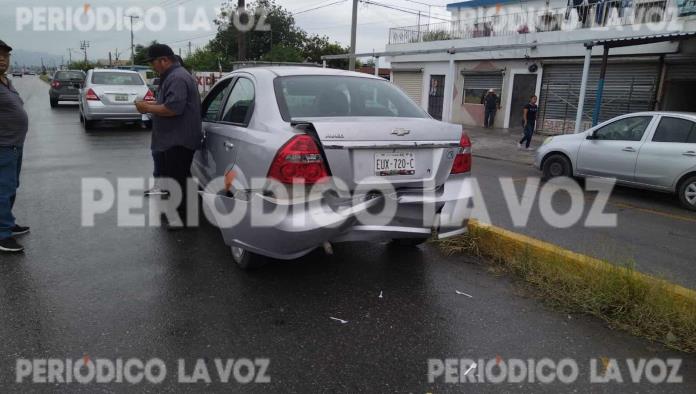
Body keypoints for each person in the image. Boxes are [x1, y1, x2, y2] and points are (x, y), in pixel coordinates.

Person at [135, 44, 202, 228]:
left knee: (178, 179)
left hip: (178, 140)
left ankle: (182, 218)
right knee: (177, 177)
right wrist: (152, 105)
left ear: (164, 60)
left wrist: (147, 107)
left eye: (153, 62)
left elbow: (173, 108)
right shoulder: (172, 76)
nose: (152, 67)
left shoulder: (177, 77)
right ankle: (181, 214)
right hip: (173, 139)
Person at [0, 40, 30, 253]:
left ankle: (7, 224)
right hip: (2, 146)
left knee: (11, 187)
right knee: (3, 190)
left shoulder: (6, 81)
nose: (3, 59)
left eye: (6, 55)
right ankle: (2, 235)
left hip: (14, 146)